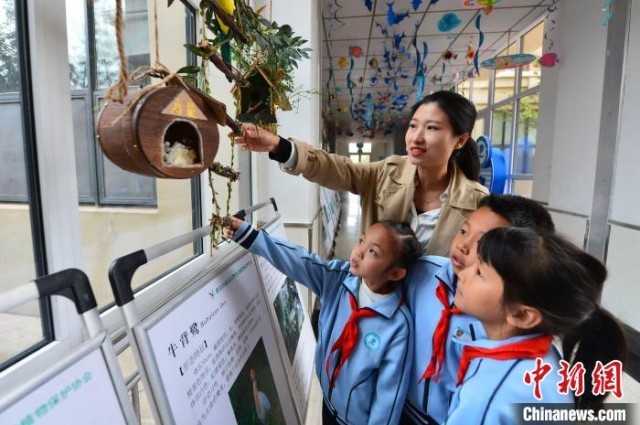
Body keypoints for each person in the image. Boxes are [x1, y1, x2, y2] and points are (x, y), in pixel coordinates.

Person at [234, 91, 488, 255]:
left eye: (431, 128)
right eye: (413, 126)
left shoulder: (477, 203)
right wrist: (279, 146)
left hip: (434, 324)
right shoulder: (386, 174)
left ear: (460, 140)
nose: (416, 137)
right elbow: (337, 168)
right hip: (374, 308)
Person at [225, 218, 422, 424]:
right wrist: (251, 236)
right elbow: (297, 260)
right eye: (362, 241)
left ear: (395, 273)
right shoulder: (336, 278)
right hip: (328, 404)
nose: (359, 252)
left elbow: (388, 399)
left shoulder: (398, 326)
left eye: (373, 252)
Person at [445, 227, 627, 424]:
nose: (463, 273)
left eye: (479, 272)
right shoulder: (544, 359)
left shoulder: (489, 394)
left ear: (522, 315)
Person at [401, 194, 556, 425]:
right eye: (464, 231)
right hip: (402, 410)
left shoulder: (507, 324)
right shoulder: (421, 273)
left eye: (483, 244)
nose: (462, 245)